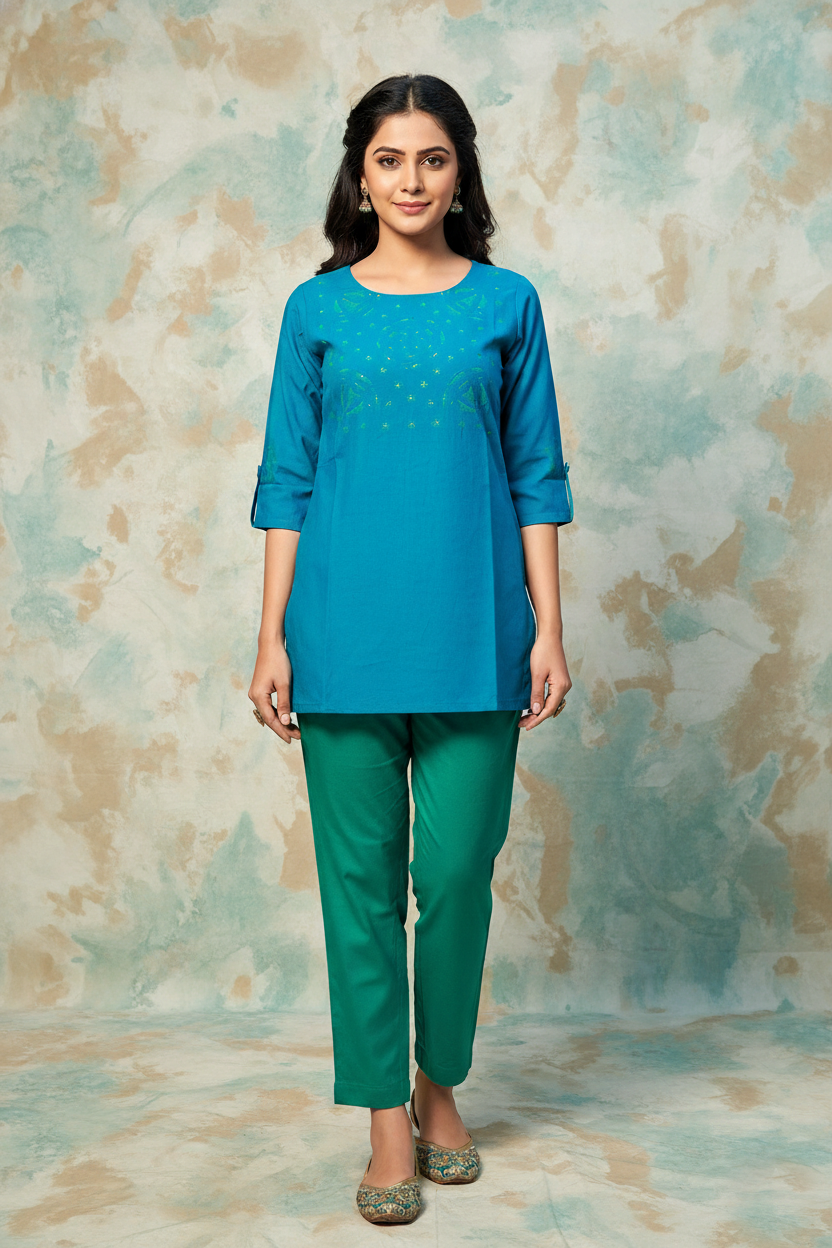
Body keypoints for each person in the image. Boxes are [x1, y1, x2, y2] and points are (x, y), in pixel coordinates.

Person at [248, 73, 573, 1225]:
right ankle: (388, 1115)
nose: (411, 180)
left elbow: (536, 473)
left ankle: (442, 1082)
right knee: (359, 891)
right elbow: (286, 479)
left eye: (432, 158)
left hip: (476, 634)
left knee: (455, 877)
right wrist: (271, 635)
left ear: (460, 172)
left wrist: (547, 625)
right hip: (339, 636)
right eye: (389, 159)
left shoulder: (507, 303)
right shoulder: (316, 310)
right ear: (360, 175)